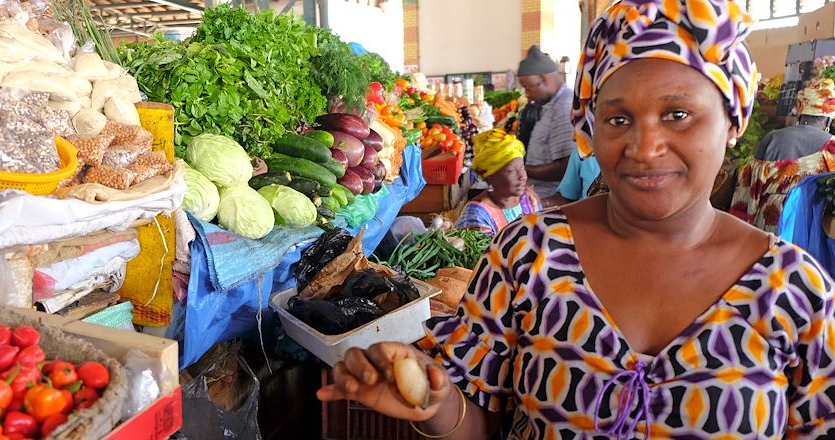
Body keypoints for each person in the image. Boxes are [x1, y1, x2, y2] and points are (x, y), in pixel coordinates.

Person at [316, 1, 835, 439]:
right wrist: (435, 405)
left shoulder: (793, 289)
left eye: (678, 114)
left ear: (732, 120)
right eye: (617, 118)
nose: (645, 146)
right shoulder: (527, 254)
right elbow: (480, 422)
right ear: (591, 124)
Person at [731, 74, 835, 233]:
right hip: (806, 230)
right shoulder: (832, 149)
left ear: (800, 112)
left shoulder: (773, 138)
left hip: (765, 227)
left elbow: (746, 191)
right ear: (828, 120)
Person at [456, 129, 541, 237]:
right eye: (512, 171)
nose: (522, 176)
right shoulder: (477, 216)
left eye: (522, 167)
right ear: (491, 177)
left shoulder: (528, 199)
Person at [516, 45, 575, 198]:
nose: (527, 95)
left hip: (548, 198)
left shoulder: (563, 107)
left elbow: (565, 167)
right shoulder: (551, 104)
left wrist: (518, 169)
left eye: (528, 88)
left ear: (544, 79)